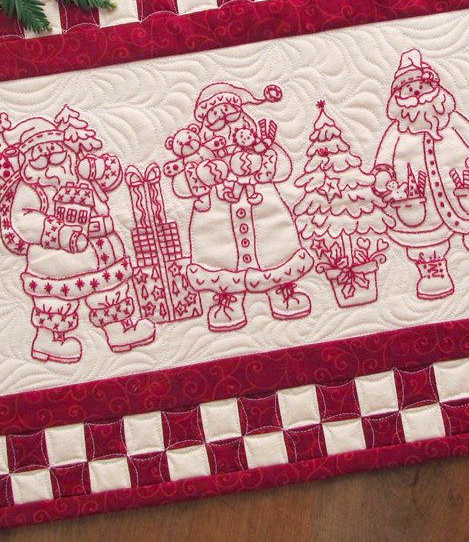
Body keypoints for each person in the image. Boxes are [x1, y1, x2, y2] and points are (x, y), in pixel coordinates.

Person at [1, 115, 155, 363]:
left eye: (55, 155)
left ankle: (119, 330)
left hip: (102, 255)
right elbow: (24, 219)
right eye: (39, 159)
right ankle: (48, 340)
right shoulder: (31, 190)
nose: (49, 163)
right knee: (54, 303)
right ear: (26, 162)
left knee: (109, 294)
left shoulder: (79, 172)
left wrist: (98, 167)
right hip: (55, 263)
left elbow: (110, 177)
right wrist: (59, 233)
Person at [166, 82, 314, 331]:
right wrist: (203, 175)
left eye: (231, 114)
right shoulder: (198, 159)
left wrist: (261, 162)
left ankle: (282, 290)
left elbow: (283, 168)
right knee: (221, 261)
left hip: (264, 213)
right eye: (216, 118)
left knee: (276, 253)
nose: (225, 123)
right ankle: (229, 300)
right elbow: (181, 186)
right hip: (216, 220)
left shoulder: (259, 148)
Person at [372, 49, 469, 300]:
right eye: (409, 90)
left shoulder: (453, 120)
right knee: (426, 238)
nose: (417, 94)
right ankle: (433, 271)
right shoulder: (396, 132)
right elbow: (383, 161)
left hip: (465, 189)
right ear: (398, 98)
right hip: (416, 200)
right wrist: (383, 175)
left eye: (422, 87)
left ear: (435, 89)